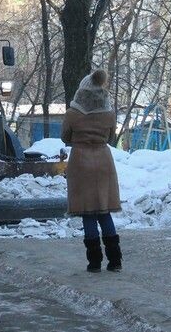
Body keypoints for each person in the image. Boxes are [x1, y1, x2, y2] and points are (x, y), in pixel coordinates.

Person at [61, 69, 122, 273]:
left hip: (80, 162)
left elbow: (64, 137)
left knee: (88, 213)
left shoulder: (72, 114)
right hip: (104, 161)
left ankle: (94, 262)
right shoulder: (109, 115)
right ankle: (115, 261)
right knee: (104, 212)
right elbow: (111, 138)